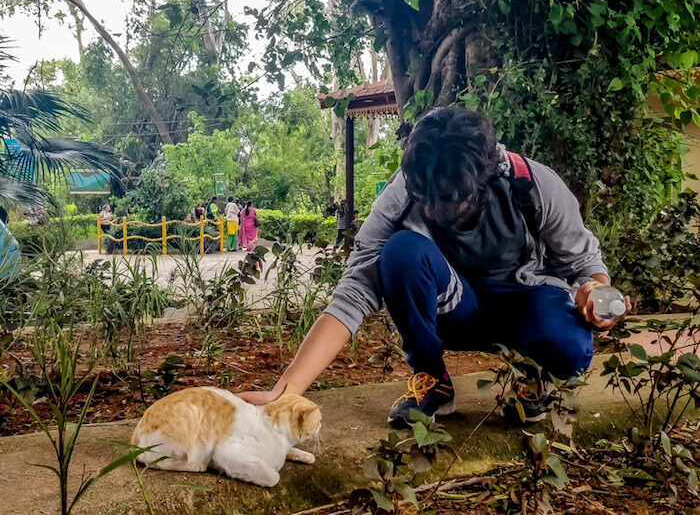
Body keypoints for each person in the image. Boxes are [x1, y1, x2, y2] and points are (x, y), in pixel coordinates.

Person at [238, 106, 631, 429]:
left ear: (482, 184)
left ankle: (532, 380)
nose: (430, 210)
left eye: (446, 200)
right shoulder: (407, 192)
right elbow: (354, 291)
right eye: (422, 196)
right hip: (455, 307)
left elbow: (584, 263)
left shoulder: (532, 185)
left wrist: (597, 292)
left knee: (570, 348)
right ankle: (432, 381)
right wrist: (286, 390)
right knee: (401, 251)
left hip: (526, 304)